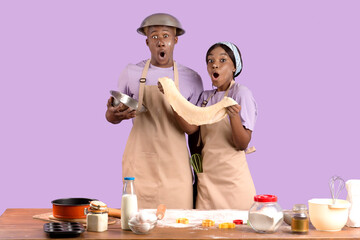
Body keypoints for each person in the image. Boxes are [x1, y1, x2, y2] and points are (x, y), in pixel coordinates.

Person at [105, 13, 203, 209]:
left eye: (166, 36)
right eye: (155, 36)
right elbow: (112, 113)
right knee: (137, 225)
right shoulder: (130, 72)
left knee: (180, 227)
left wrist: (172, 98)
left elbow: (193, 128)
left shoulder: (192, 78)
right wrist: (113, 115)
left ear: (175, 41)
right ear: (147, 42)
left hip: (176, 168)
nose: (160, 42)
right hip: (139, 166)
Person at [172, 42, 257, 210]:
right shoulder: (205, 97)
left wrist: (233, 116)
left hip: (233, 182)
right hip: (208, 182)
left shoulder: (241, 93)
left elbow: (242, 144)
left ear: (234, 67)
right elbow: (191, 128)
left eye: (222, 60)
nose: (215, 64)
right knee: (206, 231)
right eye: (210, 61)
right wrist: (172, 99)